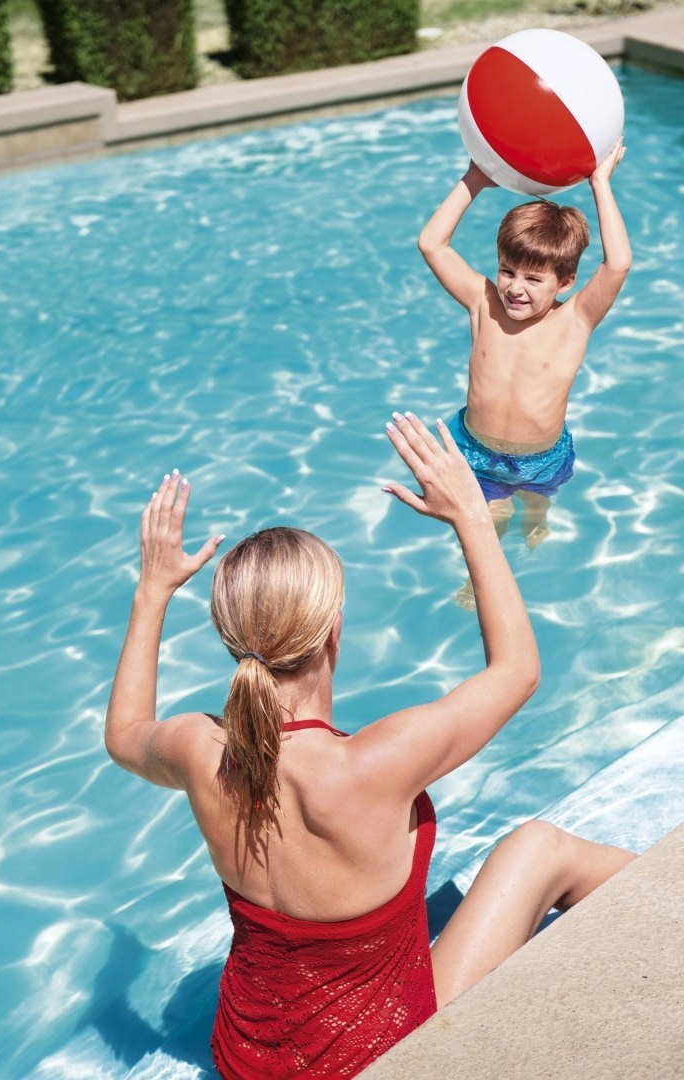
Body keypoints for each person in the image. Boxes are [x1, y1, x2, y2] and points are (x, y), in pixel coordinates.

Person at [105, 412, 634, 1079]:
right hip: (379, 1057)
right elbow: (518, 671)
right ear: (333, 631)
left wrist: (152, 589)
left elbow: (123, 736)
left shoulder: (198, 749)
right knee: (538, 848)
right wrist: (473, 515)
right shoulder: (379, 760)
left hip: (245, 1060)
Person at [417, 141, 632, 562]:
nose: (515, 287)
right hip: (475, 451)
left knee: (537, 504)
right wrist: (474, 180)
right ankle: (479, 579)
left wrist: (600, 183)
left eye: (534, 279)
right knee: (485, 523)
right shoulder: (483, 303)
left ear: (565, 283)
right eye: (507, 271)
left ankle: (538, 517)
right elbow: (432, 245)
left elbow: (617, 264)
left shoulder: (575, 320)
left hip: (542, 457)